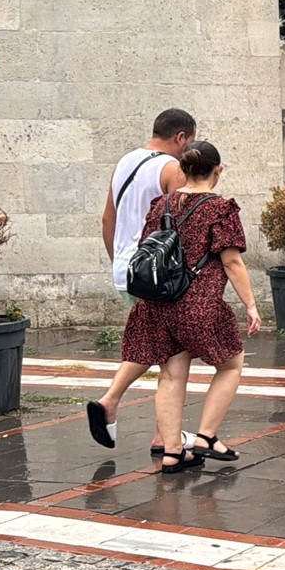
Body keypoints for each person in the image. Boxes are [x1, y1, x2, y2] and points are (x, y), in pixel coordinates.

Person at [118, 141, 262, 473]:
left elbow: (146, 247)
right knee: (230, 365)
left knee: (170, 375)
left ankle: (172, 453)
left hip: (160, 304)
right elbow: (232, 262)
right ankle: (207, 437)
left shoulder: (161, 204)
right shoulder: (220, 208)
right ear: (217, 170)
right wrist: (251, 306)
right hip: (199, 305)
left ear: (183, 169)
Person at [87, 109, 196, 453]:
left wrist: (120, 262)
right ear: (180, 137)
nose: (187, 152)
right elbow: (182, 228)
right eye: (188, 144)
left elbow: (108, 219)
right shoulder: (172, 169)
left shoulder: (124, 163)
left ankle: (158, 430)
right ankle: (155, 430)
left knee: (159, 345)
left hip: (127, 271)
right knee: (174, 355)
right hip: (158, 276)